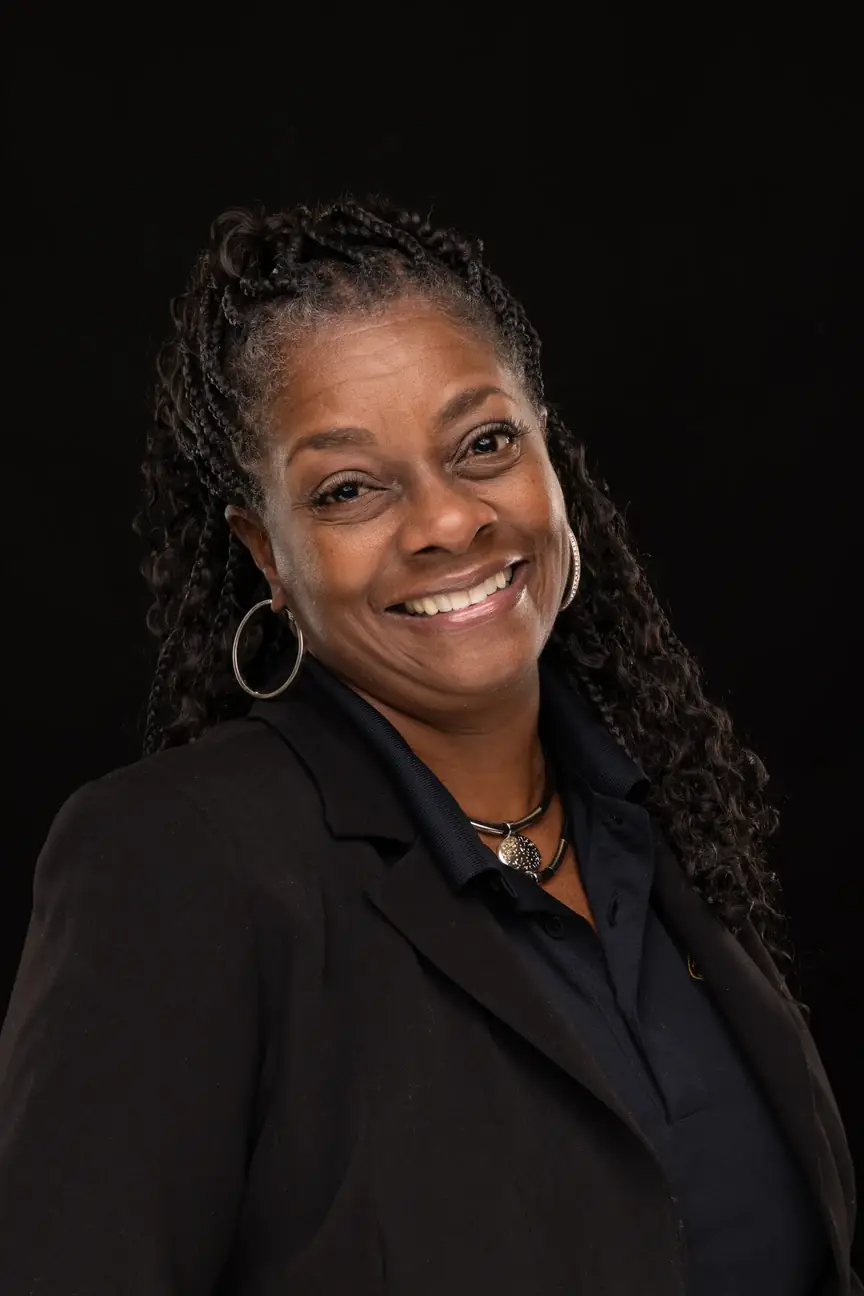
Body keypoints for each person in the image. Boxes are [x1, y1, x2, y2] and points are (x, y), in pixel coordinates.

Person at [0, 197, 857, 1295]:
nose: (449, 521)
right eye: (350, 488)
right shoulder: (179, 863)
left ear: (552, 458)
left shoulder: (658, 825)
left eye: (484, 443)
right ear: (268, 553)